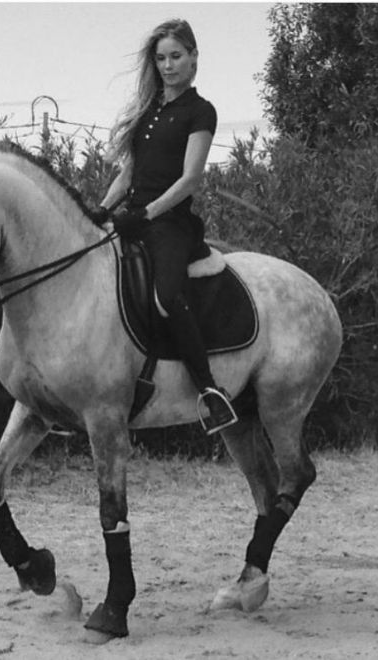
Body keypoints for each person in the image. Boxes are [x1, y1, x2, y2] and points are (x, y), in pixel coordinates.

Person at [94, 18, 237, 435]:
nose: (168, 66)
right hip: (131, 217)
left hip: (170, 223)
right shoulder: (148, 111)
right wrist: (101, 210)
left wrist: (148, 213)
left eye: (176, 56)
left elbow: (190, 179)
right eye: (161, 59)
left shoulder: (200, 112)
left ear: (194, 57)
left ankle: (209, 390)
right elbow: (128, 174)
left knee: (166, 295)